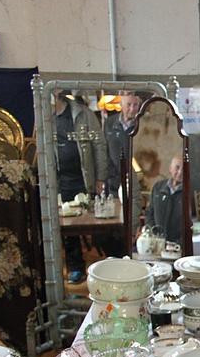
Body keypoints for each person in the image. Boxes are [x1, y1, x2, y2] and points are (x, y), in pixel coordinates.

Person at [55, 90, 108, 284]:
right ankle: (75, 267)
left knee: (98, 223)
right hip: (61, 182)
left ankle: (106, 265)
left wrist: (101, 176)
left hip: (84, 177)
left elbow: (99, 145)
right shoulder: (47, 119)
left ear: (55, 95)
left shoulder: (82, 113)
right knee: (67, 229)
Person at [104, 92, 142, 196]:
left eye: (135, 105)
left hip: (135, 181)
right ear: (121, 104)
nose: (132, 109)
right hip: (113, 181)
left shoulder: (143, 124)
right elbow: (104, 150)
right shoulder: (109, 123)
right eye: (129, 105)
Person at [145, 154, 183, 244]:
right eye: (177, 167)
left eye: (184, 169)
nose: (180, 172)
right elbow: (149, 213)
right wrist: (153, 232)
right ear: (170, 169)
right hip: (157, 242)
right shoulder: (158, 187)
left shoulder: (190, 191)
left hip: (178, 245)